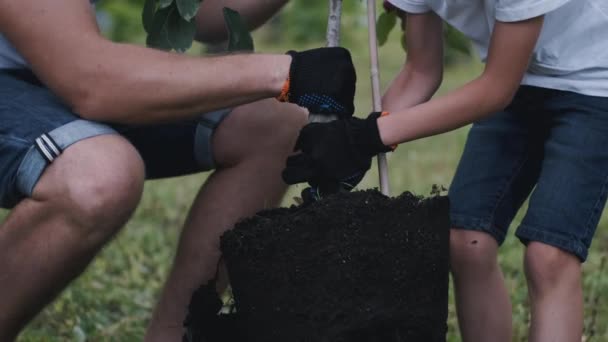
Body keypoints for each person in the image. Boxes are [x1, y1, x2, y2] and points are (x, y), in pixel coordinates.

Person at [0, 0, 357, 340]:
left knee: (272, 128)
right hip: (45, 75)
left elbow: (203, 15)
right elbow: (89, 81)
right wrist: (290, 72)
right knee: (97, 176)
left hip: (47, 74)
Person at [283, 0, 608, 341]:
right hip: (519, 82)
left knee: (549, 256)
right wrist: (358, 143)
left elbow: (496, 90)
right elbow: (421, 71)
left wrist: (370, 137)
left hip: (596, 85)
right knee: (466, 241)